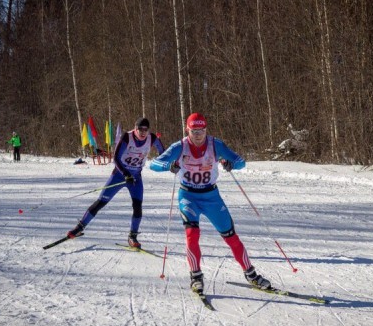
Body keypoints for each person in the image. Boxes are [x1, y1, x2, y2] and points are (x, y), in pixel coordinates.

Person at [149, 112, 271, 294]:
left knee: (231, 237)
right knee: (192, 235)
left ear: (206, 130)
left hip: (211, 197)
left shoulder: (215, 144)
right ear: (187, 130)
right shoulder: (179, 147)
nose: (198, 135)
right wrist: (168, 166)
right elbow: (154, 164)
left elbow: (241, 162)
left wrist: (231, 164)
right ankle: (196, 276)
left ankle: (251, 274)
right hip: (188, 196)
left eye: (202, 131)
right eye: (194, 131)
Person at [66, 117, 165, 248]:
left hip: (135, 178)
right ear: (135, 129)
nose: (143, 132)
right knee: (101, 202)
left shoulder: (152, 138)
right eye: (140, 129)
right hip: (119, 175)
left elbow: (164, 153)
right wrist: (125, 173)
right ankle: (79, 227)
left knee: (137, 206)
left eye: (145, 130)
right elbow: (116, 158)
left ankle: (132, 236)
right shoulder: (127, 137)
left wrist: (169, 162)